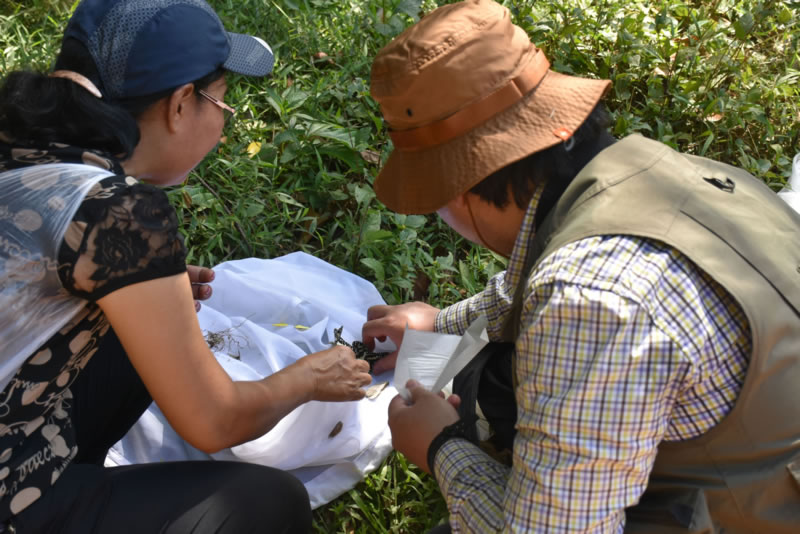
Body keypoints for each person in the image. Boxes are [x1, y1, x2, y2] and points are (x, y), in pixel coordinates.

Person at [361, 1, 800, 532]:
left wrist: (441, 446)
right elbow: (532, 277)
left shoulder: (590, 301)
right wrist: (441, 323)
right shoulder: (659, 171)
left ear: (461, 187)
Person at [0, 0, 373, 532]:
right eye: (221, 102)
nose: (223, 119)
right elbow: (214, 422)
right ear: (180, 105)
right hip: (11, 488)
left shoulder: (25, 145)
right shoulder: (121, 213)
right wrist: (306, 377)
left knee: (133, 340)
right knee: (268, 503)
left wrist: (143, 289)